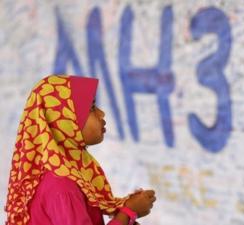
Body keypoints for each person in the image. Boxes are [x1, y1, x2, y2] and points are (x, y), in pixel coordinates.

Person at [5, 75, 156, 225]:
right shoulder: (62, 186)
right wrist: (128, 212)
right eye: (91, 108)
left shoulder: (67, 171)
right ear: (64, 121)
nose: (101, 113)